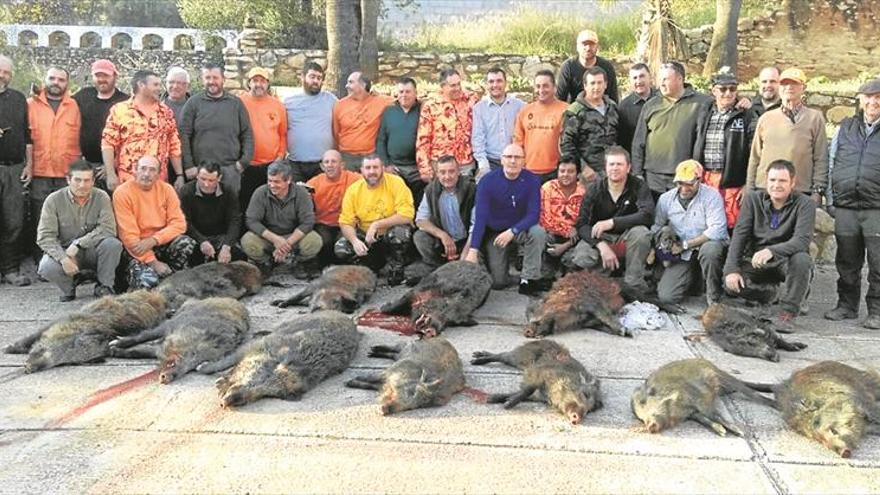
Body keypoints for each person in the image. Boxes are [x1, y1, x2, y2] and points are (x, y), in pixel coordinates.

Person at [723, 160, 815, 323]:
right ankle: (769, 294)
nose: (776, 185)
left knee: (802, 260)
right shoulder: (753, 200)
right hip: (757, 260)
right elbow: (740, 235)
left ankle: (788, 313)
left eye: (782, 181)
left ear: (792, 183)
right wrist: (731, 270)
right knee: (729, 285)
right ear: (766, 181)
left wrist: (772, 251)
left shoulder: (805, 204)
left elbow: (801, 241)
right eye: (772, 180)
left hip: (785, 260)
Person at [824, 79, 880, 328]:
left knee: (878, 262)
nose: (873, 102)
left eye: (878, 97)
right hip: (846, 206)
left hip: (876, 208)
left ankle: (877, 311)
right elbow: (831, 161)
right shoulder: (845, 128)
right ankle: (846, 305)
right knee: (846, 261)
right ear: (860, 99)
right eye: (868, 97)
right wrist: (830, 199)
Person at [464, 144, 548, 294]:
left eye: (517, 157)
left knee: (538, 232)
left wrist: (512, 231)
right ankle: (508, 274)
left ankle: (528, 280)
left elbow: (534, 214)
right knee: (498, 282)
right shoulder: (487, 182)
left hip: (519, 228)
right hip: (495, 232)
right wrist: (473, 249)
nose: (513, 161)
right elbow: (481, 218)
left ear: (524, 161)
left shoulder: (532, 180)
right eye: (508, 157)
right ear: (501, 160)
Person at [570, 146, 654, 290]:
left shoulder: (639, 186)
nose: (615, 168)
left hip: (627, 236)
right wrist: (601, 245)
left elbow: (647, 215)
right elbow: (582, 224)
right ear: (606, 167)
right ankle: (602, 280)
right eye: (611, 164)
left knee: (641, 234)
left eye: (619, 164)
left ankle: (633, 283)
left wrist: (612, 223)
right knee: (582, 256)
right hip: (602, 237)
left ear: (628, 167)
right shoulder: (594, 189)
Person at [36, 159, 122, 301]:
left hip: (94, 250)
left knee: (113, 244)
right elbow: (45, 237)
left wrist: (79, 243)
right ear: (68, 179)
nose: (82, 185)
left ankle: (104, 286)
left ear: (93, 181)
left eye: (87, 180)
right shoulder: (53, 200)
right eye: (77, 180)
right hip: (67, 253)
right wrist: (63, 259)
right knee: (46, 266)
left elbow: (108, 229)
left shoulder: (101, 197)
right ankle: (69, 287)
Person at [113, 156, 197, 290]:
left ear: (159, 174)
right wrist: (154, 263)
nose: (146, 174)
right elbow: (129, 238)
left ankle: (174, 279)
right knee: (148, 283)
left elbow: (179, 224)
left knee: (186, 243)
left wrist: (155, 239)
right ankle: (132, 279)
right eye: (143, 169)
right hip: (137, 249)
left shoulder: (167, 190)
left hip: (160, 243)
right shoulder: (122, 193)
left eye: (152, 170)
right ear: (135, 170)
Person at [652, 160, 728, 305]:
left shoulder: (712, 196)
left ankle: (713, 298)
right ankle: (692, 279)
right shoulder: (665, 199)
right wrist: (659, 249)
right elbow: (657, 226)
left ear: (699, 180)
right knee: (666, 297)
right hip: (681, 254)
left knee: (710, 250)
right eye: (680, 183)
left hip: (704, 247)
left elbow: (718, 229)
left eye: (689, 184)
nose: (684, 188)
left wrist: (686, 244)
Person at [747, 68, 828, 204]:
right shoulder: (766, 118)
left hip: (800, 190)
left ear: (803, 88)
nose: (789, 87)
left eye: (794, 84)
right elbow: (755, 157)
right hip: (766, 189)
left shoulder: (815, 118)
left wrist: (818, 190)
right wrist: (750, 189)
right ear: (779, 87)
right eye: (785, 84)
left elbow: (821, 157)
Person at [632, 61, 712, 198]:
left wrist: (743, 100)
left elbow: (725, 101)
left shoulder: (701, 102)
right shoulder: (651, 104)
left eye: (666, 79)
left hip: (684, 176)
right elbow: (638, 141)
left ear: (680, 79)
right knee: (656, 217)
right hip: (653, 177)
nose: (661, 84)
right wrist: (638, 174)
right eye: (660, 79)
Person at [25, 67, 81, 262]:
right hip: (39, 172)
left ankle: (66, 260)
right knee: (41, 218)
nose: (56, 82)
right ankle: (42, 259)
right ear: (45, 79)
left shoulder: (75, 106)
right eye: (52, 78)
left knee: (67, 220)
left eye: (61, 79)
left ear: (67, 83)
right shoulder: (30, 104)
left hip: (67, 172)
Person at [335, 154, 414, 285]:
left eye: (375, 167)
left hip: (390, 236)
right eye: (368, 168)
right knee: (342, 248)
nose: (372, 172)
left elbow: (407, 215)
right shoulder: (353, 190)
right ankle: (369, 269)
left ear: (383, 168)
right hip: (367, 239)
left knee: (400, 233)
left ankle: (396, 270)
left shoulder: (396, 183)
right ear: (361, 170)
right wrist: (355, 241)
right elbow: (345, 222)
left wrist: (376, 225)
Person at [101, 70, 184, 191]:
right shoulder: (120, 110)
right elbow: (108, 143)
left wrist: (179, 175)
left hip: (158, 182)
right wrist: (110, 174)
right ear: (141, 85)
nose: (159, 89)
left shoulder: (166, 112)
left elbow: (174, 145)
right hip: (127, 181)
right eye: (155, 85)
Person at [694, 70, 757, 229]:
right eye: (723, 89)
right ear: (714, 91)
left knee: (732, 222)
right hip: (706, 176)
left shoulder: (745, 114)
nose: (728, 93)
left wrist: (747, 183)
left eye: (732, 89)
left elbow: (755, 151)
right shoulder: (704, 111)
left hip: (733, 178)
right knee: (706, 220)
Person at [180, 63, 253, 197]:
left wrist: (243, 162)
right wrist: (189, 165)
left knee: (230, 211)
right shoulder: (193, 103)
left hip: (230, 170)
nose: (211, 82)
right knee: (202, 211)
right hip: (201, 171)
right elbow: (184, 135)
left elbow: (247, 133)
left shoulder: (236, 104)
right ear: (202, 80)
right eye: (207, 78)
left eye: (215, 77)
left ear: (223, 79)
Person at [242, 160, 322, 275]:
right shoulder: (260, 192)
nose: (272, 185)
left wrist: (287, 243)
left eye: (276, 182)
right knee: (248, 241)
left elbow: (308, 222)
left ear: (288, 180)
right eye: (269, 181)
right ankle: (265, 263)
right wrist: (276, 240)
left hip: (293, 236)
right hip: (269, 237)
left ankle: (300, 263)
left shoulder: (301, 194)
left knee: (314, 241)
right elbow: (251, 220)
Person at [72, 59, 129, 188]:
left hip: (115, 167)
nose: (102, 79)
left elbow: (132, 138)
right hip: (86, 165)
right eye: (98, 75)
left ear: (115, 76)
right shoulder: (83, 96)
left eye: (106, 75)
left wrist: (111, 165)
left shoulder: (125, 102)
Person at [0, 54, 31, 286]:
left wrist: (29, 164)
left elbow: (28, 136)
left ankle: (10, 270)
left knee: (14, 222)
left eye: (6, 72)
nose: (2, 75)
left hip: (14, 168)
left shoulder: (19, 99)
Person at [239, 67, 288, 212]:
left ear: (267, 84)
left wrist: (280, 156)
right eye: (255, 81)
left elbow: (283, 133)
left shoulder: (277, 105)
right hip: (247, 164)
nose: (258, 84)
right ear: (249, 83)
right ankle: (246, 233)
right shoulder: (239, 102)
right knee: (246, 202)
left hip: (271, 164)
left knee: (270, 202)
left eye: (262, 81)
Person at [414, 155, 475, 267]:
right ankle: (439, 267)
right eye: (442, 172)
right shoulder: (430, 190)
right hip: (443, 242)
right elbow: (420, 220)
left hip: (467, 241)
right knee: (420, 237)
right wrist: (442, 235)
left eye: (451, 171)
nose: (447, 176)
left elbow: (475, 227)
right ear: (437, 174)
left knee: (471, 267)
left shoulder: (471, 189)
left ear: (459, 172)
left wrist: (465, 254)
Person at [178, 162, 243, 266]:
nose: (206, 184)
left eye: (211, 180)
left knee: (238, 255)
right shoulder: (186, 191)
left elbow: (234, 220)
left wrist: (227, 245)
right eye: (202, 179)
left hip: (220, 236)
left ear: (219, 178)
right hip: (196, 236)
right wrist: (202, 241)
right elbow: (184, 221)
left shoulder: (228, 191)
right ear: (197, 176)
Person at [560, 66, 619, 180]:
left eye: (599, 83)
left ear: (605, 84)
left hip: (612, 172)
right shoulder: (575, 111)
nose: (596, 87)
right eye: (592, 83)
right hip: (588, 175)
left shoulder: (612, 107)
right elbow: (566, 145)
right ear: (585, 86)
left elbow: (619, 137)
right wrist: (583, 168)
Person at [416, 68, 475, 182]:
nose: (457, 88)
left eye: (459, 84)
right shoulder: (431, 106)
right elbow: (423, 139)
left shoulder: (469, 101)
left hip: (465, 164)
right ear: (442, 87)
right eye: (452, 85)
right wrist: (424, 168)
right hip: (440, 165)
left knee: (466, 198)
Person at [284, 62, 337, 183]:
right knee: (297, 199)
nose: (316, 81)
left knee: (321, 199)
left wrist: (370, 94)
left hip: (322, 164)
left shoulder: (330, 100)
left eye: (319, 78)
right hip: (295, 164)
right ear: (302, 77)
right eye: (312, 77)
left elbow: (349, 106)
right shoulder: (288, 102)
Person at [306, 149, 361, 265]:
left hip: (348, 224)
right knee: (323, 242)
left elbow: (373, 179)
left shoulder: (354, 179)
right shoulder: (314, 182)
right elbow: (300, 198)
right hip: (324, 224)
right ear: (321, 166)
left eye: (334, 162)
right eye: (326, 162)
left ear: (342, 165)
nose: (330, 165)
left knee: (343, 247)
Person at [514, 70, 569, 183]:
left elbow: (570, 142)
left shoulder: (565, 110)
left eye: (545, 86)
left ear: (554, 88)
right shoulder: (525, 111)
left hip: (556, 172)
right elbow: (518, 142)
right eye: (538, 86)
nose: (541, 90)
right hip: (528, 171)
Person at [471, 67, 525, 180]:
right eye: (491, 81)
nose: (495, 85)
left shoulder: (520, 106)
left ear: (506, 83)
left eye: (499, 81)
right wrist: (483, 165)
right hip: (490, 161)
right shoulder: (479, 109)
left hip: (514, 160)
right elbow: (478, 139)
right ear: (486, 84)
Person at [376, 77, 423, 205]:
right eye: (401, 92)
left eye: (408, 92)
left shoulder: (423, 110)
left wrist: (424, 166)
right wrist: (386, 165)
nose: (404, 95)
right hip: (395, 167)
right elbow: (381, 140)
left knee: (419, 201)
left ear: (415, 93)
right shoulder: (389, 112)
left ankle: (418, 223)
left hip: (417, 168)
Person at [333, 71, 392, 170]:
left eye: (351, 82)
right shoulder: (339, 105)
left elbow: (403, 100)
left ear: (363, 85)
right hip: (347, 158)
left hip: (370, 157)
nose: (347, 86)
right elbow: (335, 134)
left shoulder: (381, 101)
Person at [539, 159, 586, 271]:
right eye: (562, 171)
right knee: (540, 235)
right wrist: (566, 230)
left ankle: (565, 265)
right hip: (552, 234)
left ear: (578, 174)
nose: (565, 175)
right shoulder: (547, 188)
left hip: (574, 238)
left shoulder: (584, 192)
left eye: (570, 171)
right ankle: (548, 269)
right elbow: (544, 219)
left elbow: (585, 223)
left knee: (571, 265)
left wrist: (566, 245)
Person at [556, 29, 619, 104]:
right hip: (576, 111)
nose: (588, 48)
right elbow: (560, 99)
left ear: (597, 47)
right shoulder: (568, 67)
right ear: (577, 47)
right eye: (584, 44)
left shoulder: (607, 67)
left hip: (601, 110)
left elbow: (613, 98)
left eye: (592, 44)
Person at [617, 63, 658, 154]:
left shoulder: (662, 99)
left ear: (650, 77)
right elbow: (623, 141)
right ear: (630, 81)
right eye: (635, 78)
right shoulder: (623, 107)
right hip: (637, 159)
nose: (638, 81)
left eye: (642, 76)